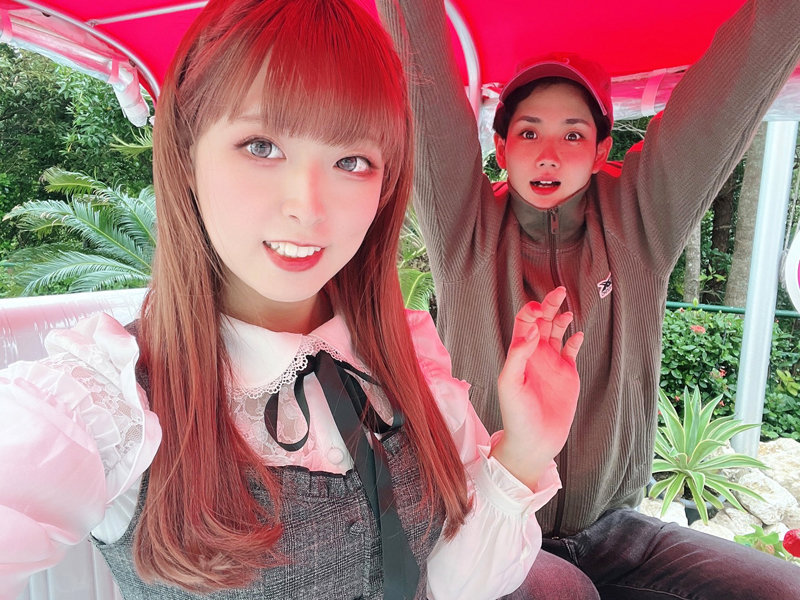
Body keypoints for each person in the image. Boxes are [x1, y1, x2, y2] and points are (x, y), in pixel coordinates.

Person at [0, 0, 586, 599]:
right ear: (186, 153)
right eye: (261, 146)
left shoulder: (407, 355)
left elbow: (453, 584)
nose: (307, 207)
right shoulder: (108, 400)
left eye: (351, 161)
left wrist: (524, 450)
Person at [376, 0, 800, 598]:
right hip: (491, 520)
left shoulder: (642, 224)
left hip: (612, 528)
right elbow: (426, 92)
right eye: (528, 132)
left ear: (602, 150)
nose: (548, 153)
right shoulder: (464, 229)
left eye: (573, 134)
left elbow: (727, 98)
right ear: (501, 146)